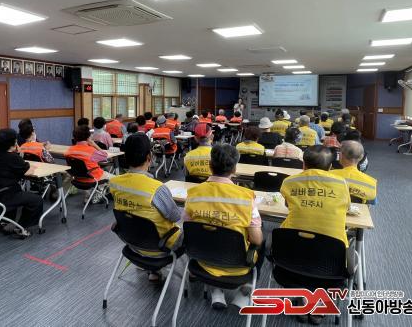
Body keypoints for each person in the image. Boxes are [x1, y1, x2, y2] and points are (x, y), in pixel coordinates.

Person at [184, 144, 263, 309]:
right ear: (234, 168)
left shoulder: (193, 193)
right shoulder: (246, 197)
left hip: (203, 260)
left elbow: (188, 227)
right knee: (262, 245)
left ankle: (216, 290)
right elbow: (256, 240)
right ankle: (244, 293)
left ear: (210, 165)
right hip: (237, 265)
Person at [278, 146, 350, 324]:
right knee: (326, 252)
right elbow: (347, 208)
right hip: (331, 262)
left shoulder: (289, 182)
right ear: (330, 167)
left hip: (290, 257)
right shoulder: (341, 183)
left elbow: (287, 205)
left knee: (301, 247)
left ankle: (303, 299)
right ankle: (319, 304)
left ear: (303, 164)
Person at [110, 133, 182, 281]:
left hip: (132, 242)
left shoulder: (114, 183)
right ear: (149, 157)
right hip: (160, 246)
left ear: (125, 157)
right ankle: (193, 275)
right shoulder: (157, 188)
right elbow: (175, 217)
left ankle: (153, 270)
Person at [0, 129, 43, 237]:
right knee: (36, 200)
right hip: (6, 195)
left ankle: (6, 221)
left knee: (20, 194)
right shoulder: (13, 158)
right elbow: (29, 171)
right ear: (13, 144)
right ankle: (21, 226)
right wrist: (28, 164)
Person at [65, 125, 112, 203]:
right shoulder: (91, 151)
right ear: (88, 137)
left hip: (77, 177)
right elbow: (104, 156)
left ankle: (90, 195)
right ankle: (98, 195)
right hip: (93, 177)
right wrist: (93, 144)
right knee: (115, 178)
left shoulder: (69, 150)